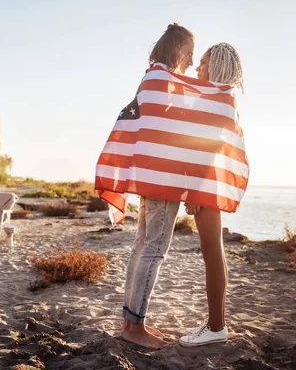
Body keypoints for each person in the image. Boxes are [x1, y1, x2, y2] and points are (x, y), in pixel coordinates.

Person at [119, 23, 195, 349]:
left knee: (141, 245)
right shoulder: (166, 81)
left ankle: (129, 321)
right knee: (154, 249)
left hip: (149, 174)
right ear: (178, 49)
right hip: (163, 177)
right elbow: (173, 131)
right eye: (190, 54)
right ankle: (134, 328)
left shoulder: (150, 77)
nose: (191, 62)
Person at [179, 43, 245, 347]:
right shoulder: (219, 99)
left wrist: (193, 189)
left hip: (205, 183)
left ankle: (216, 326)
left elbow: (209, 149)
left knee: (212, 252)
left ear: (216, 67)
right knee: (212, 251)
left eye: (202, 63)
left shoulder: (219, 100)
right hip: (206, 182)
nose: (197, 68)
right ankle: (216, 324)